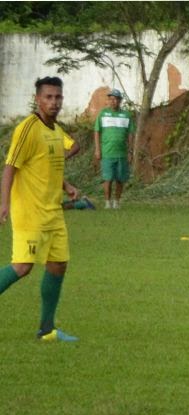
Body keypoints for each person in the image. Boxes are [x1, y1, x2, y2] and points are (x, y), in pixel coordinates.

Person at [0, 76, 81, 342]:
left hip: (53, 211)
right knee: (22, 266)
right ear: (38, 99)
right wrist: (3, 203)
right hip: (30, 212)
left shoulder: (56, 131)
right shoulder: (27, 129)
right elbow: (10, 167)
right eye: (48, 97)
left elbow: (46, 166)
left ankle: (46, 330)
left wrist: (66, 185)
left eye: (58, 97)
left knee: (58, 264)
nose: (54, 102)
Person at [93, 88, 135, 209]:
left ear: (120, 101)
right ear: (108, 100)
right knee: (108, 179)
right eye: (111, 99)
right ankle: (107, 202)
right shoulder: (102, 114)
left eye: (116, 99)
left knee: (120, 179)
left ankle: (116, 202)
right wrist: (97, 149)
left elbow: (131, 134)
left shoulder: (126, 115)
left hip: (122, 154)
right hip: (107, 153)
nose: (113, 101)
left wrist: (130, 151)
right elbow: (97, 131)